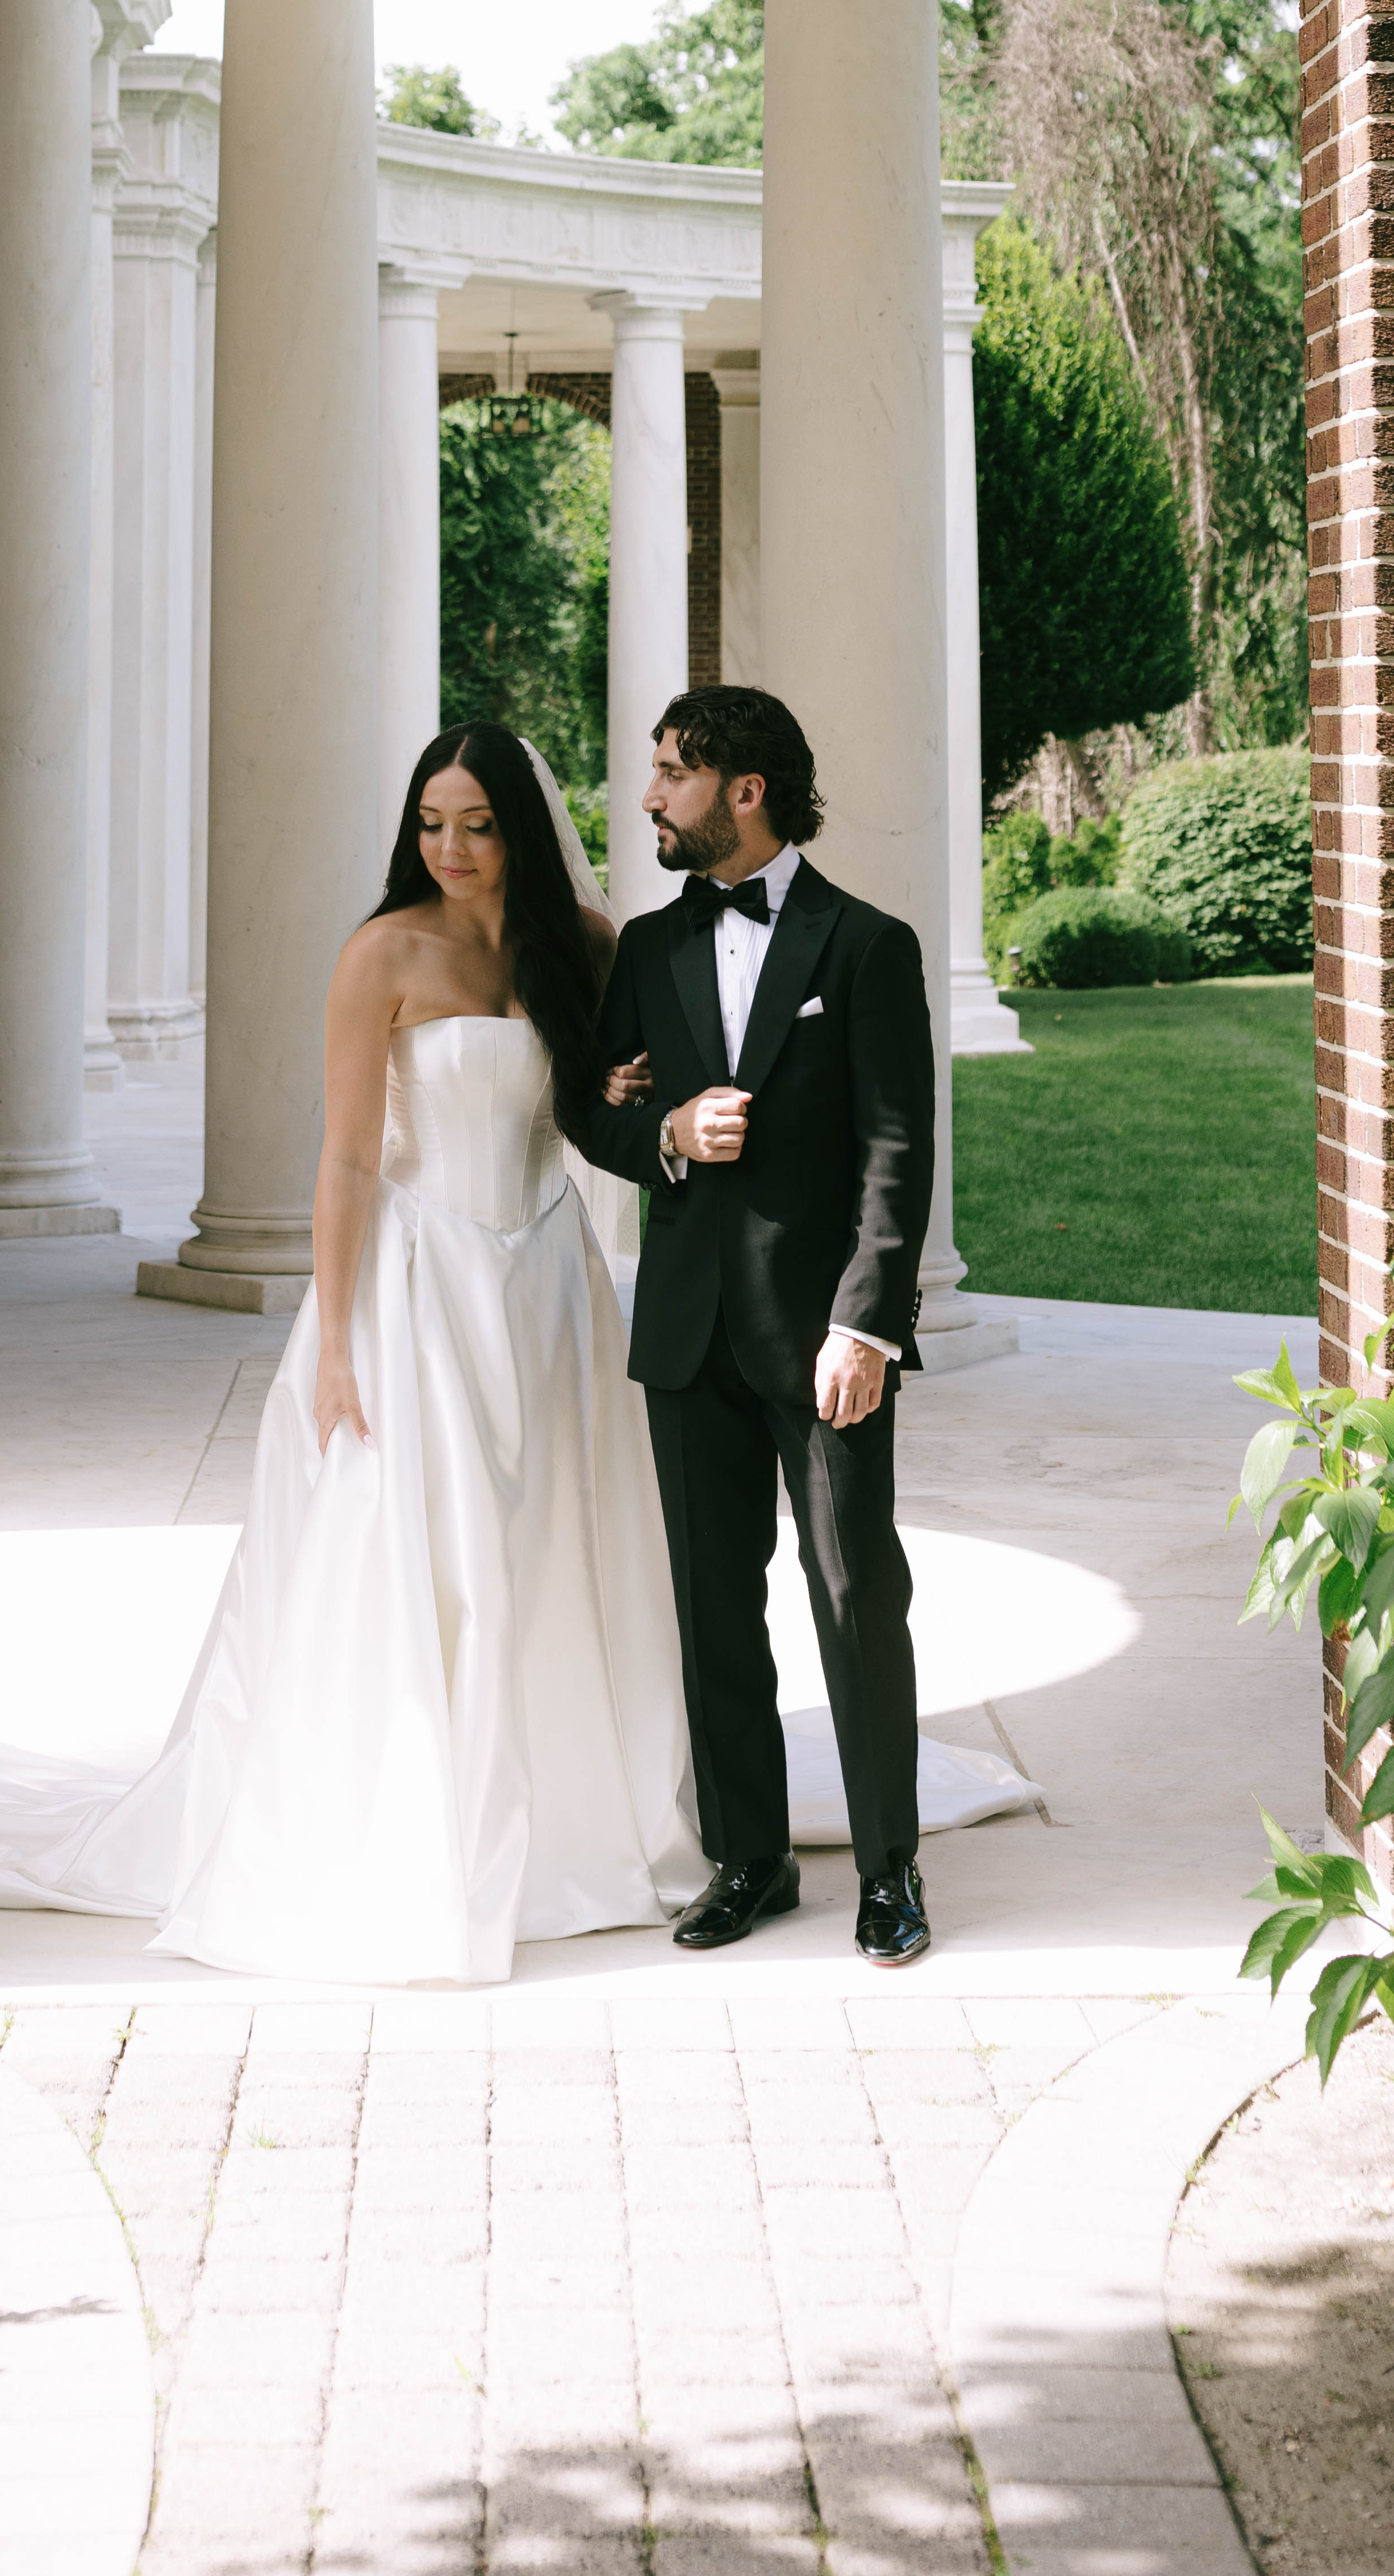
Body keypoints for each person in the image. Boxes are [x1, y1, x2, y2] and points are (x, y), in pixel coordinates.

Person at [0, 724, 706, 1984]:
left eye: (479, 822)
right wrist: (337, 1341)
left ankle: (573, 1810)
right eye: (432, 822)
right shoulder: (381, 952)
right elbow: (347, 1157)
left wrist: (633, 1091)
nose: (451, 847)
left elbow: (602, 1103)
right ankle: (420, 1813)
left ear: (523, 825)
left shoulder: (591, 943)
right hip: (417, 1282)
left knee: (556, 1533)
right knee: (421, 1549)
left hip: (548, 1276)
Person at [556, 685, 945, 1971]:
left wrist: (868, 1327)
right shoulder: (653, 952)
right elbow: (595, 1111)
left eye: (675, 772)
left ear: (747, 790)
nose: (654, 794)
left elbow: (898, 1148)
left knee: (854, 1592)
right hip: (684, 1330)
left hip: (822, 1337)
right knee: (714, 1608)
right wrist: (663, 1129)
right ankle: (751, 1857)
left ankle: (889, 1871)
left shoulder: (866, 944)